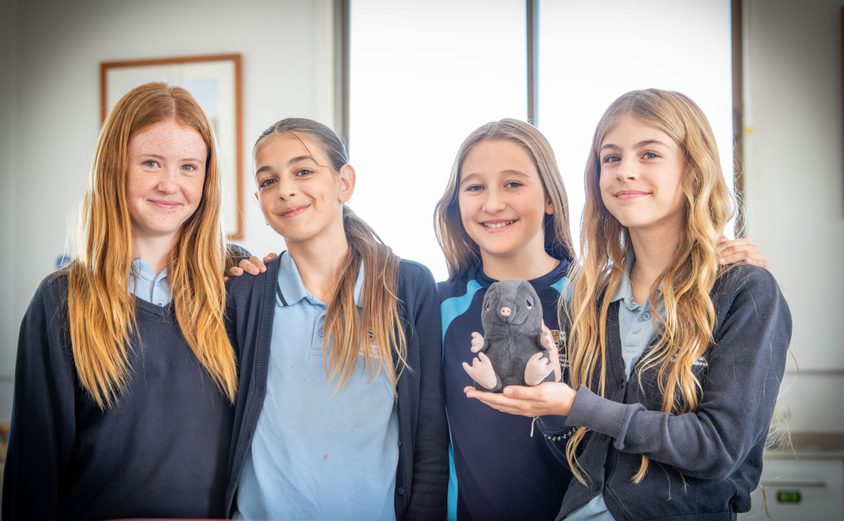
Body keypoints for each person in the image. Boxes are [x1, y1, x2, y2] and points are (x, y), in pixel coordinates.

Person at [466, 89, 791, 520]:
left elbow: (717, 448)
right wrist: (545, 402)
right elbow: (579, 451)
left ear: (693, 172)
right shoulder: (586, 299)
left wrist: (575, 404)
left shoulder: (744, 291)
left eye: (650, 154)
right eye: (612, 158)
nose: (625, 172)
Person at [2, 82, 238, 519]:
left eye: (189, 167)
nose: (171, 184)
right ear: (115, 168)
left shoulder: (238, 290)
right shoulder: (60, 302)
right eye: (151, 163)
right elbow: (32, 475)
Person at [224, 118, 448, 520]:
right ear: (259, 200)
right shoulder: (244, 295)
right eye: (269, 180)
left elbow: (429, 439)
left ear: (344, 182)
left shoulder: (407, 286)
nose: (286, 189)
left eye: (304, 171)